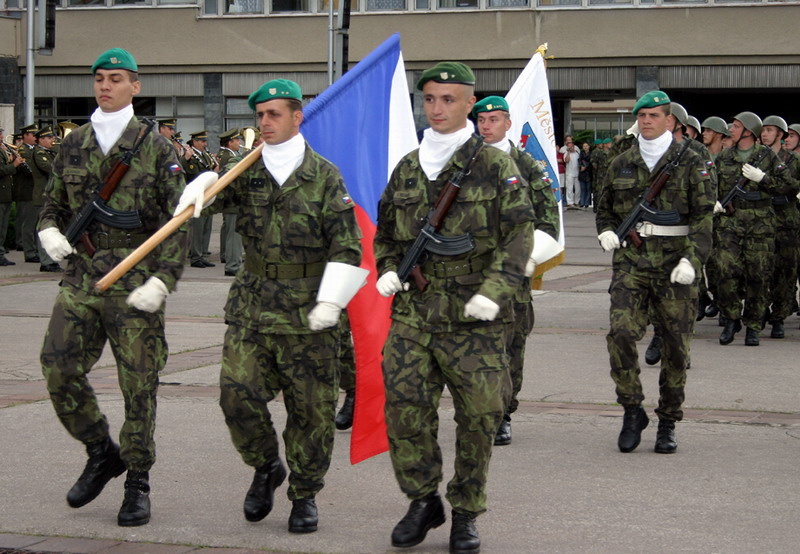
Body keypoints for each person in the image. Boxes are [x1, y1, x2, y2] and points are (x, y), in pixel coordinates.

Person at [177, 78, 364, 534]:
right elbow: (206, 205)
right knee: (235, 394)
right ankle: (265, 465)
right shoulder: (246, 169)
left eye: (274, 114)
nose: (264, 122)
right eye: (259, 115)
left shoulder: (324, 175)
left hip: (309, 309)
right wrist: (202, 183)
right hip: (254, 306)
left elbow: (348, 246)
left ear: (297, 117)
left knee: (311, 412)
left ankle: (305, 494)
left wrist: (332, 300)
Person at [374, 62, 534, 554]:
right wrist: (387, 267)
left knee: (480, 417)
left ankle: (466, 511)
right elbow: (387, 233)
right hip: (414, 313)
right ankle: (423, 499)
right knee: (404, 410)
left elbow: (519, 234)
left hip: (474, 316)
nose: (437, 108)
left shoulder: (495, 165)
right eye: (429, 99)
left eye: (448, 99)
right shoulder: (407, 166)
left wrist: (495, 290)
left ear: (469, 103)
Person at [37, 47, 188, 527]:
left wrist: (163, 279)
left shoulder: (155, 147)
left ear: (135, 86)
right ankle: (101, 450)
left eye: (116, 78)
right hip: (81, 278)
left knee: (138, 385)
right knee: (58, 367)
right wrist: (48, 230)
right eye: (100, 78)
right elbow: (52, 204)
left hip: (134, 279)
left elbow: (178, 221)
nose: (106, 85)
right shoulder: (73, 143)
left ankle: (137, 481)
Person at [595, 90, 714, 454]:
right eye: (641, 115)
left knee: (676, 347)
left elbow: (703, 217)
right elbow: (605, 208)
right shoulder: (621, 162)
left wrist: (692, 261)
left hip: (675, 263)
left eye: (653, 115)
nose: (646, 120)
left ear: (669, 120)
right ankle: (632, 409)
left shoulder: (692, 160)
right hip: (632, 261)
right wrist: (606, 231)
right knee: (620, 333)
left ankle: (668, 420)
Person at [472, 95, 559, 446]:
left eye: (494, 119)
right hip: (472, 272)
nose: (486, 125)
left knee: (511, 349)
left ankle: (504, 413)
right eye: (481, 120)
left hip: (513, 277)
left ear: (508, 123)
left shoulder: (527, 166)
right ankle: (480, 410)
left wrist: (528, 257)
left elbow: (548, 221)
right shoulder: (465, 163)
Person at [714, 112, 788, 346]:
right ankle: (731, 318)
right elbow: (711, 184)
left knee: (759, 274)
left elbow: (788, 185)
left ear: (748, 131)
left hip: (760, 223)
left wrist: (763, 178)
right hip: (730, 222)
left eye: (736, 126)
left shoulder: (766, 156)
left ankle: (753, 326)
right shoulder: (724, 156)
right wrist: (714, 201)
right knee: (724, 270)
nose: (731, 130)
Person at [759, 116, 800, 339]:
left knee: (785, 272)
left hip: (787, 221)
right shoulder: (758, 157)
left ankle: (779, 316)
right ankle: (760, 310)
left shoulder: (793, 160)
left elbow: (793, 186)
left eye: (770, 130)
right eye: (763, 130)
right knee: (760, 269)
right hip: (762, 219)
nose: (765, 134)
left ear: (780, 134)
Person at [183, 130, 218, 268]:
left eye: (205, 141)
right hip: (197, 195)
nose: (205, 144)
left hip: (207, 195)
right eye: (202, 141)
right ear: (195, 142)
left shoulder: (205, 155)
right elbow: (187, 174)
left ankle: (203, 254)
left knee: (206, 227)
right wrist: (186, 158)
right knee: (197, 228)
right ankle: (196, 256)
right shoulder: (190, 156)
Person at [30, 126, 61, 272]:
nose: (52, 140)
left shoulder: (50, 152)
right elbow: (50, 168)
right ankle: (46, 261)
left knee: (52, 229)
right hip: (42, 195)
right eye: (49, 138)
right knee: (44, 229)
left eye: (52, 137)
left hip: (51, 195)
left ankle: (52, 260)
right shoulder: (39, 153)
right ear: (41, 140)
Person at [216, 128, 244, 276]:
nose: (239, 142)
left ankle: (228, 258)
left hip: (231, 201)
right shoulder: (227, 156)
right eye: (237, 140)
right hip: (233, 201)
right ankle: (232, 265)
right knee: (233, 234)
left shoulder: (230, 155)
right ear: (230, 142)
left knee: (229, 231)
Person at [15, 123, 39, 263]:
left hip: (35, 191)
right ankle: (29, 252)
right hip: (27, 192)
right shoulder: (22, 151)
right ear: (25, 136)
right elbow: (29, 171)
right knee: (29, 224)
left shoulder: (34, 149)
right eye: (33, 135)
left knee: (36, 224)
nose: (36, 137)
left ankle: (35, 249)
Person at [0, 127, 24, 266]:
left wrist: (15, 161)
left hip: (6, 194)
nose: (2, 137)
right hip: (1, 194)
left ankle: (1, 253)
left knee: (3, 227)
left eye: (1, 135)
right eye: (0, 135)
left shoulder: (3, 149)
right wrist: (14, 165)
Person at [560, 135, 580, 207]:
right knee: (569, 188)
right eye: (569, 145)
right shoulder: (566, 153)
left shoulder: (577, 152)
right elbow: (566, 160)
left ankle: (577, 201)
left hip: (577, 172)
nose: (570, 147)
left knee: (578, 189)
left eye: (571, 145)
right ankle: (570, 202)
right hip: (569, 173)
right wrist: (568, 152)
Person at [578, 141, 593, 208]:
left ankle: (587, 203)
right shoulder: (581, 153)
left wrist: (585, 166)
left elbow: (591, 162)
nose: (585, 147)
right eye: (584, 146)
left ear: (589, 146)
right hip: (582, 173)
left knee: (588, 189)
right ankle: (582, 202)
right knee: (583, 188)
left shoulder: (591, 153)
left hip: (589, 173)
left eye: (586, 146)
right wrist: (581, 166)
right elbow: (579, 161)